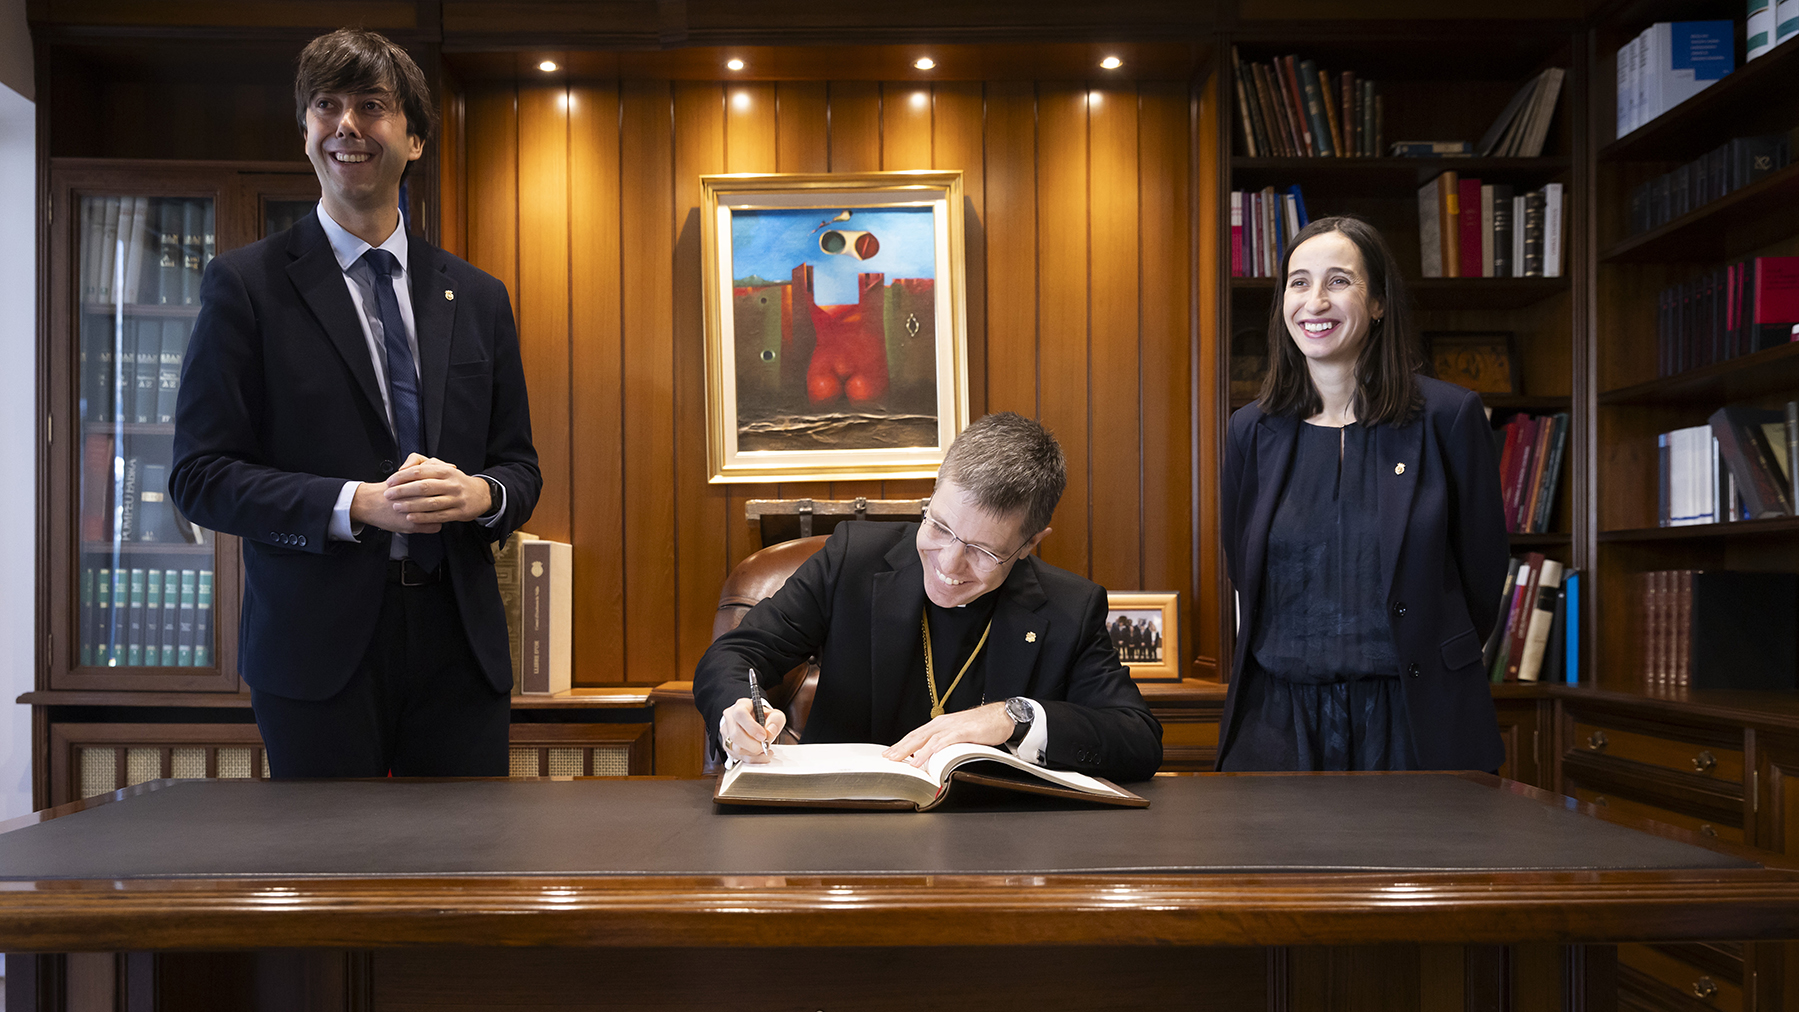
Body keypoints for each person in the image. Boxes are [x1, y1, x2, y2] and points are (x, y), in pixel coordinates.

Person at [169, 28, 540, 778]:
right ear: (305, 132)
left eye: (371, 106)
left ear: (415, 139)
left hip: (458, 650)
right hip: (315, 652)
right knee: (328, 883)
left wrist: (479, 493)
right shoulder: (245, 287)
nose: (346, 125)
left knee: (464, 883)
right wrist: (355, 503)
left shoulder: (477, 296)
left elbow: (519, 469)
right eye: (325, 106)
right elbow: (200, 477)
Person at [693, 413, 1163, 782]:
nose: (948, 565)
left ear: (1029, 544)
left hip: (999, 851)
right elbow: (737, 652)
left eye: (982, 551)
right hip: (841, 834)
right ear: (933, 493)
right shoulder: (852, 561)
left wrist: (1013, 717)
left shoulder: (1069, 608)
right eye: (939, 526)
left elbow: (1138, 739)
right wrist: (734, 710)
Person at [1216, 215, 1508, 772]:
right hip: (1278, 725)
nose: (1314, 301)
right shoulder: (1250, 431)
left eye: (1338, 281)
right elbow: (1243, 566)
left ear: (1377, 302)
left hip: (1413, 719)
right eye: (1298, 283)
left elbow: (1481, 576)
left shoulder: (1448, 417)